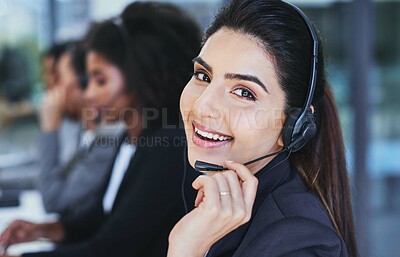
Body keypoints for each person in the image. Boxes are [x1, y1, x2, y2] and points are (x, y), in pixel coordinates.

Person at [0, 2, 201, 257]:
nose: (90, 94)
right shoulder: (128, 137)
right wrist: (45, 230)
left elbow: (110, 248)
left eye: (101, 80)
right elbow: (105, 214)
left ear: (138, 75)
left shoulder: (167, 148)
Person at [167, 1, 358, 257]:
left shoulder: (302, 245)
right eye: (203, 76)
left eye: (244, 92)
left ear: (295, 126)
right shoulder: (214, 193)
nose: (202, 106)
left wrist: (184, 250)